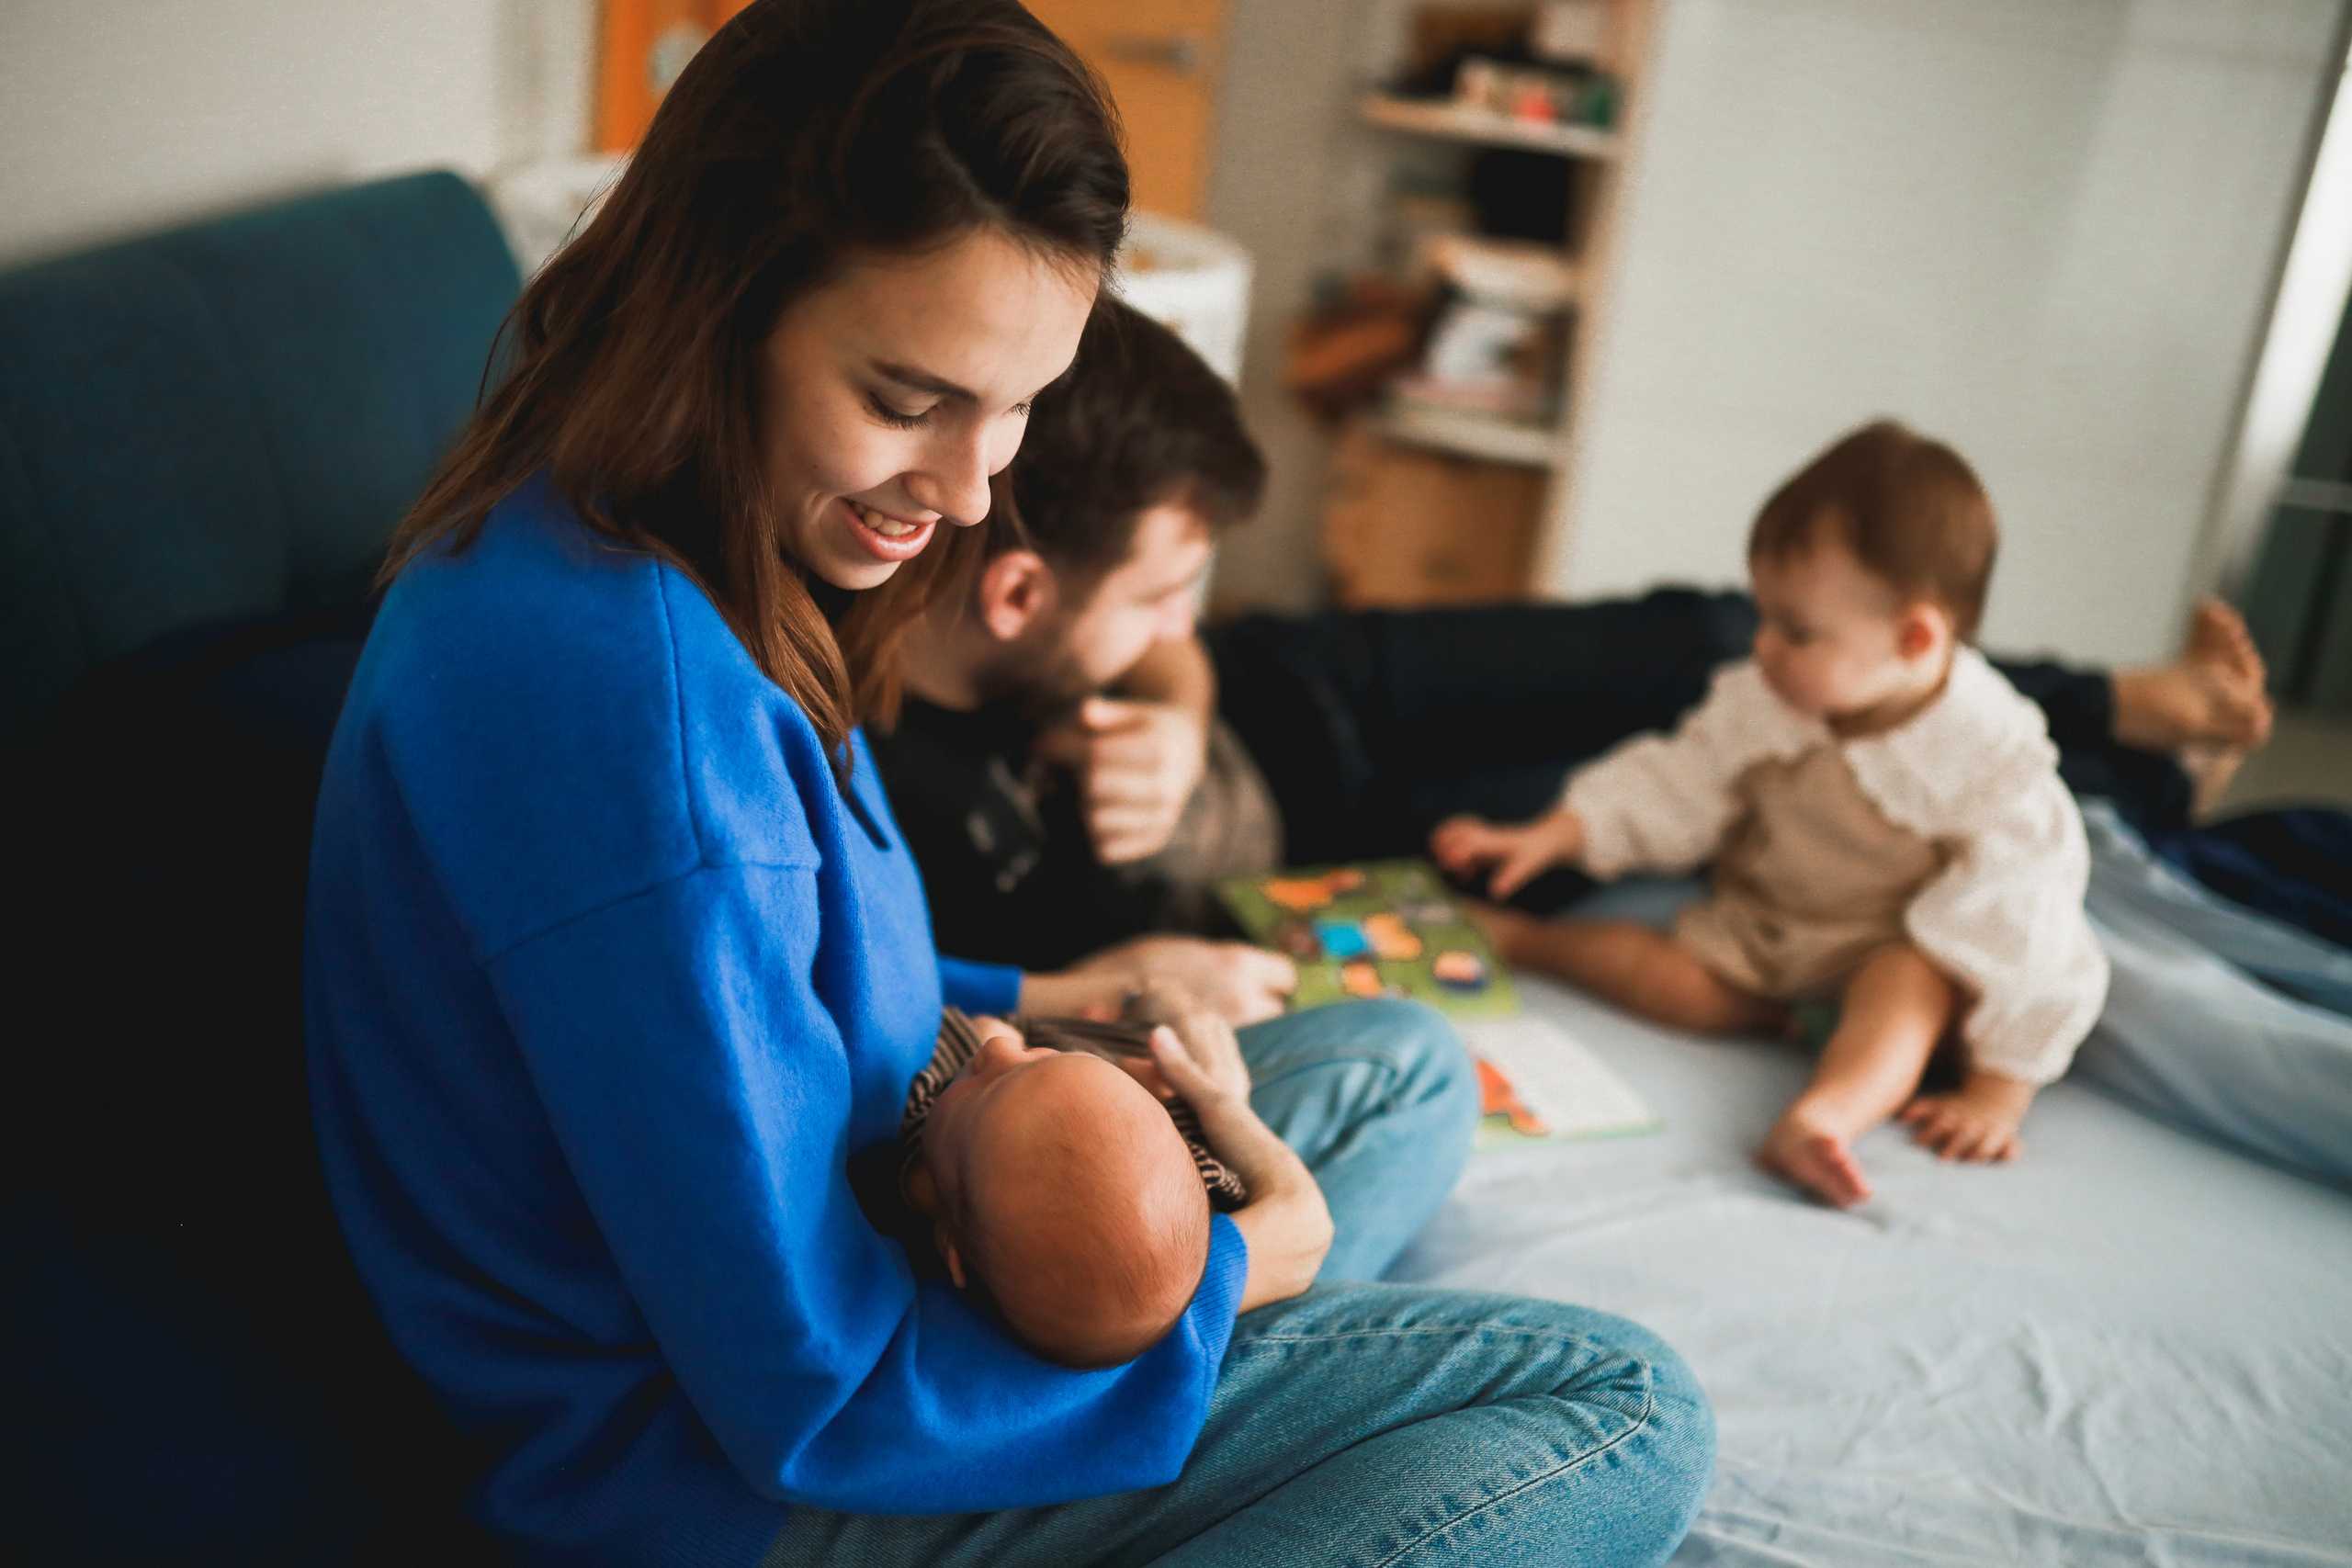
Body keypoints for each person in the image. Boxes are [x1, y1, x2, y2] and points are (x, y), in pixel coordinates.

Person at [303, 4, 1715, 1564]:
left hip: (882, 1223)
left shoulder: (648, 535)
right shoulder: (633, 725)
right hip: (733, 1480)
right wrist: (1251, 1264)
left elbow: (762, 989)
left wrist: (1060, 988)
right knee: (1621, 1406)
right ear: (722, 303)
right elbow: (810, 1387)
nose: (975, 488)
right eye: (909, 401)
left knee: (1398, 1063)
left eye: (1019, 402)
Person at [870, 303, 2272, 1006]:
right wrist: (1089, 983)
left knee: (1714, 633)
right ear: (1015, 598)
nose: (1176, 618)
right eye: (1164, 592)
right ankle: (2124, 788)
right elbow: (928, 1015)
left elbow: (1180, 649)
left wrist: (1174, 702)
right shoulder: (884, 803)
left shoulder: (1036, 568)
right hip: (1324, 843)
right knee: (1736, 755)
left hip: (1317, 680)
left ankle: (2128, 703)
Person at [1432, 423, 2110, 1206]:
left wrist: (1998, 1089)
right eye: (1764, 615)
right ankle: (1527, 940)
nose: (1763, 646)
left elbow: (2023, 919)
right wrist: (1555, 833)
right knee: (1675, 980)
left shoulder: (1988, 753)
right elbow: (1680, 777)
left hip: (1880, 950)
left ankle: (1825, 1116)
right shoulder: (1770, 698)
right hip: (1763, 929)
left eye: (1796, 630)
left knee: (1908, 986)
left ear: (1914, 636)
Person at [889, 1003, 1306, 1370]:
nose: (998, 1052)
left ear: (951, 1247)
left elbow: (945, 1034)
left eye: (984, 1088)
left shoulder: (919, 1136)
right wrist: (1150, 1084)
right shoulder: (1191, 1178)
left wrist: (977, 1036)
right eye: (1040, 1059)